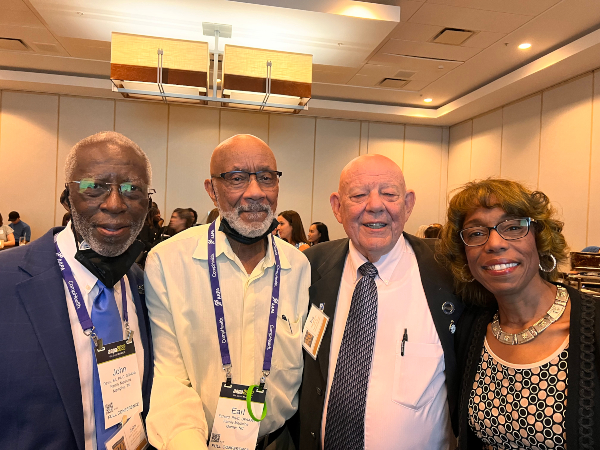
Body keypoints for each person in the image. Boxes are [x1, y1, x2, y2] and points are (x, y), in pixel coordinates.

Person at [144, 134, 310, 449]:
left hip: (280, 441)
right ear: (212, 190)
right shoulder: (168, 261)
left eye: (266, 178)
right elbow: (169, 378)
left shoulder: (299, 267)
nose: (255, 193)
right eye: (236, 179)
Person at [297, 154, 463, 449]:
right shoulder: (309, 268)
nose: (375, 206)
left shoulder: (450, 271)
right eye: (359, 195)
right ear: (337, 207)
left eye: (389, 194)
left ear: (408, 204)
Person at [0, 131, 154, 450]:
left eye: (132, 189)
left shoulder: (146, 287)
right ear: (67, 197)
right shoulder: (5, 280)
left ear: (148, 203)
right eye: (94, 187)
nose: (114, 203)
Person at [437, 178, 600, 449]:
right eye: (476, 233)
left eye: (513, 227)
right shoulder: (471, 329)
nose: (495, 243)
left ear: (540, 238)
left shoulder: (592, 327)